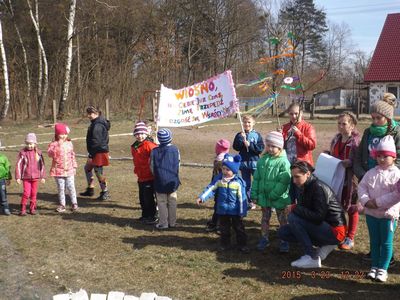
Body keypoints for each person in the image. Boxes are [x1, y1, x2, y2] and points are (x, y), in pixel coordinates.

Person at [353, 92, 400, 264]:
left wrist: (389, 172)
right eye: (372, 117)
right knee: (372, 217)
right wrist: (364, 175)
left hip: (389, 183)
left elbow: (398, 157)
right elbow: (359, 156)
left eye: (378, 118)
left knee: (387, 218)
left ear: (387, 118)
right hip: (369, 181)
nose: (374, 121)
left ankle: (389, 255)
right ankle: (374, 251)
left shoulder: (397, 132)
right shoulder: (368, 132)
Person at [278, 160, 347, 268]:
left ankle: (311, 257)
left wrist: (295, 208)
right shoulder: (304, 186)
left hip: (336, 230)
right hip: (324, 226)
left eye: (297, 177)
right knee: (283, 232)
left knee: (293, 218)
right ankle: (322, 245)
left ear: (308, 174)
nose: (294, 181)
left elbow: (318, 217)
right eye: (293, 177)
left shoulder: (318, 188)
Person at [357, 135, 400, 282]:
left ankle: (383, 269)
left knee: (386, 243)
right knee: (374, 242)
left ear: (393, 157)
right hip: (371, 214)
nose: (381, 159)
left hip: (388, 216)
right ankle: (374, 267)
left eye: (386, 156)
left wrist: (378, 202)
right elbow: (362, 187)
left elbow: (396, 194)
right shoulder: (371, 173)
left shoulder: (397, 174)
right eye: (379, 156)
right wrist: (366, 201)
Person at [197, 154, 249, 253]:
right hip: (223, 210)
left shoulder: (238, 183)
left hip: (235, 211)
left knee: (239, 228)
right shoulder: (219, 180)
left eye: (227, 170)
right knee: (224, 229)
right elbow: (211, 189)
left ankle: (242, 245)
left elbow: (242, 198)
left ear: (234, 171)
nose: (224, 171)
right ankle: (225, 244)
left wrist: (242, 212)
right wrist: (202, 197)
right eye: (223, 169)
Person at [251, 131, 291, 253]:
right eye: (268, 145)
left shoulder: (284, 162)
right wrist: (254, 193)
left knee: (282, 219)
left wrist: (274, 194)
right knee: (265, 218)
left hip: (278, 197)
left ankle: (285, 240)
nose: (270, 148)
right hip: (264, 197)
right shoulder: (262, 160)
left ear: (280, 146)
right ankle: (264, 238)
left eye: (273, 146)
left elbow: (284, 181)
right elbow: (257, 178)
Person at [327, 112, 360, 250]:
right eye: (339, 123)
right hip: (337, 179)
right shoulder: (336, 139)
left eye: (344, 124)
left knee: (352, 208)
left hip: (350, 180)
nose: (340, 126)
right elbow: (333, 154)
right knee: (337, 207)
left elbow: (360, 159)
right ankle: (340, 234)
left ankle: (350, 237)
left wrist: (351, 162)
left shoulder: (356, 142)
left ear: (352, 126)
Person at [150, 128, 180, 229]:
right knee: (172, 201)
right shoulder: (175, 149)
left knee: (162, 202)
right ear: (170, 138)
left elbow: (152, 166)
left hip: (159, 180)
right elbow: (178, 164)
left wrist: (157, 175)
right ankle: (172, 222)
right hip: (172, 180)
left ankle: (164, 223)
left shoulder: (154, 151)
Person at [80, 105, 111, 201]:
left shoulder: (97, 125)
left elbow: (96, 141)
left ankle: (105, 192)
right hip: (95, 151)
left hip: (99, 151)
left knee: (98, 172)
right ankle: (90, 189)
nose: (89, 115)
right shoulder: (95, 123)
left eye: (91, 113)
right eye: (88, 113)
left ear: (97, 113)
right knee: (88, 168)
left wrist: (92, 153)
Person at [232, 115, 264, 204]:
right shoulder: (239, 135)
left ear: (253, 123)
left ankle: (260, 199)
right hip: (244, 164)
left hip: (255, 164)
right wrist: (241, 140)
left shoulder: (257, 135)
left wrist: (250, 145)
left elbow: (260, 149)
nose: (247, 124)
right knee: (246, 184)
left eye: (249, 122)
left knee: (258, 182)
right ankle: (250, 201)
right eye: (245, 122)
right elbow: (236, 147)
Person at [131, 121, 158, 224]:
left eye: (142, 133)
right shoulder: (135, 146)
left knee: (149, 198)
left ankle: (152, 216)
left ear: (146, 134)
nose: (140, 136)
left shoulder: (150, 145)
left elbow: (156, 160)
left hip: (150, 176)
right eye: (137, 134)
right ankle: (145, 214)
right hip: (141, 176)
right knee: (142, 198)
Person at [47, 123, 78, 213]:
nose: (64, 136)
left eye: (65, 134)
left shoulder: (69, 143)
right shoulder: (53, 144)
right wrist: (57, 146)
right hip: (58, 171)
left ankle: (74, 203)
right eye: (61, 134)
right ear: (57, 134)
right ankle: (62, 205)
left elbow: (72, 155)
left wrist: (74, 165)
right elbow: (50, 154)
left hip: (69, 170)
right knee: (61, 188)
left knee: (71, 187)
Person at [15, 133, 46, 216]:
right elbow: (18, 165)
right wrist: (18, 177)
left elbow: (42, 165)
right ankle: (23, 209)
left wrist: (43, 176)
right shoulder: (23, 153)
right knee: (26, 193)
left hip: (35, 178)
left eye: (31, 144)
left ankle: (32, 208)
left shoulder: (38, 153)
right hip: (26, 178)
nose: (29, 146)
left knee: (34, 193)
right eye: (28, 144)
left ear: (35, 144)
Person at [205, 139, 231, 232]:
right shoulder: (229, 160)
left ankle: (217, 224)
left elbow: (215, 178)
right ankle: (218, 223)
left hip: (219, 188)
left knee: (218, 207)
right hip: (227, 189)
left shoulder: (218, 162)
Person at [0, 146, 12, 215]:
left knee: (3, 194)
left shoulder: (3, 158)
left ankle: (5, 208)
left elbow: (7, 168)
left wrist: (8, 178)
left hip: (1, 180)